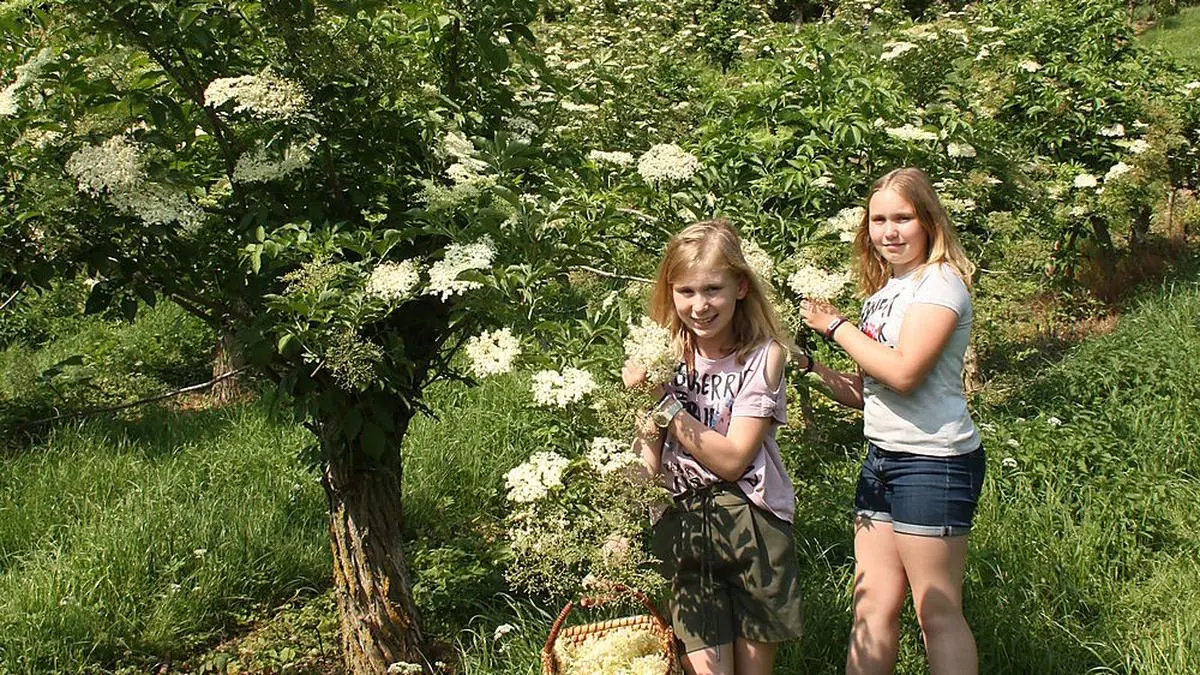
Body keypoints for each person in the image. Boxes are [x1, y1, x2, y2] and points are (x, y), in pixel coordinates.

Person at [797, 167, 985, 675]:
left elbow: (903, 373)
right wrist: (807, 366)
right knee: (872, 606)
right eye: (879, 220)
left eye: (903, 217)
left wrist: (835, 327)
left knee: (936, 612)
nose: (890, 231)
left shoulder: (940, 285)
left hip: (934, 461)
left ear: (928, 221)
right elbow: (867, 393)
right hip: (882, 457)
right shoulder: (883, 294)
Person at [624, 219, 804, 675]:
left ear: (741, 287)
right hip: (682, 522)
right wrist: (622, 521)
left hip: (753, 522)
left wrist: (663, 403)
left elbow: (732, 459)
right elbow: (646, 451)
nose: (699, 306)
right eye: (686, 292)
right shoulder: (661, 351)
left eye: (712, 290)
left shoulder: (765, 356)